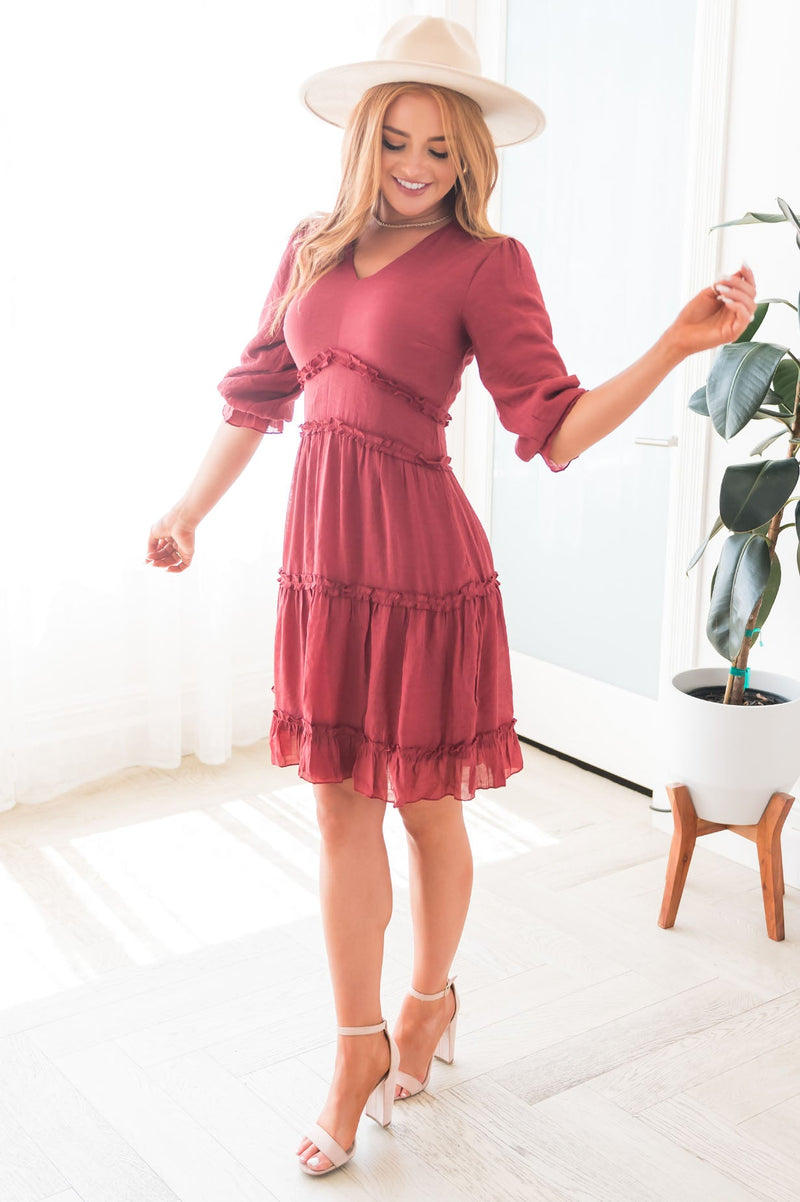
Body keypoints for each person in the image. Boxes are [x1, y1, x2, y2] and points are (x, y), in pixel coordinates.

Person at [145, 14, 757, 1179]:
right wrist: (186, 511)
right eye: (397, 142)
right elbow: (256, 397)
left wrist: (672, 346)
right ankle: (355, 1047)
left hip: (422, 568)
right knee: (336, 809)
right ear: (363, 138)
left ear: (469, 153)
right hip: (325, 565)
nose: (417, 166)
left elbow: (555, 427)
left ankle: (427, 1000)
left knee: (425, 807)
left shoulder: (487, 262)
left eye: (441, 146)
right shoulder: (310, 245)